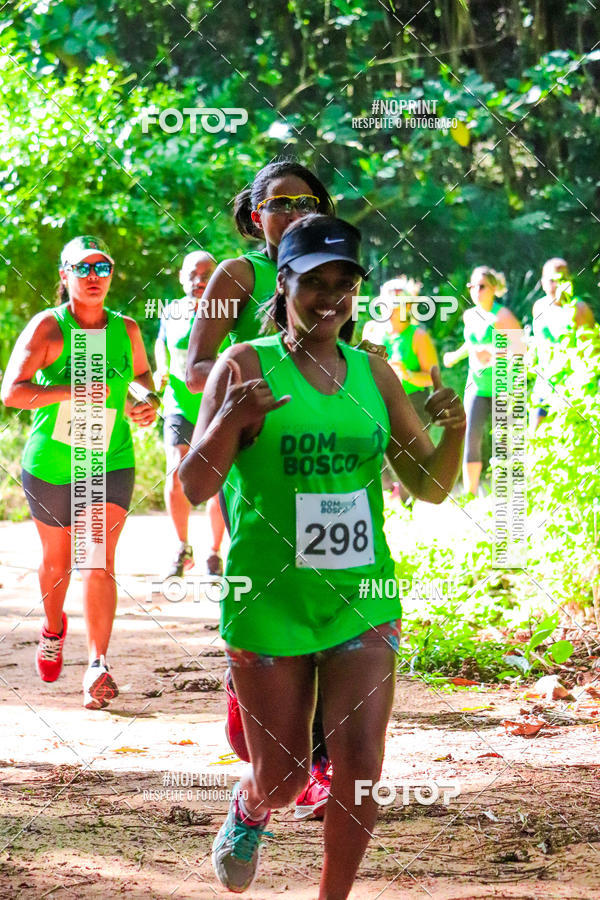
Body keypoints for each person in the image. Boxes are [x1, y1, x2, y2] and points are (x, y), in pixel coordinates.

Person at [179, 214, 466, 898]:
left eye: (344, 283)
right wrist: (228, 421)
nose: (330, 297)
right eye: (314, 283)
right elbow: (194, 487)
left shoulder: (374, 372)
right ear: (284, 284)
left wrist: (452, 431)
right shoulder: (244, 363)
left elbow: (428, 487)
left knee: (360, 763)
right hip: (269, 599)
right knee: (281, 778)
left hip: (360, 598)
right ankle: (251, 808)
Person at [185, 158, 336, 820]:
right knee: (270, 583)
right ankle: (249, 678)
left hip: (325, 458)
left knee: (337, 591)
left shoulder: (333, 271)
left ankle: (324, 760)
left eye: (308, 201)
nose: (296, 212)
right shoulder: (236, 278)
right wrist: (243, 377)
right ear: (255, 216)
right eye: (280, 203)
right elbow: (193, 368)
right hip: (249, 454)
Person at [1, 235, 157, 709]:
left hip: (110, 458)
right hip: (52, 463)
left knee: (99, 558)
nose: (93, 277)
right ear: (64, 275)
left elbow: (143, 379)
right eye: (82, 268)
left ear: (112, 275)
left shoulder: (126, 328)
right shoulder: (48, 328)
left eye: (102, 268)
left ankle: (98, 665)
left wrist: (143, 403)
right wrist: (71, 391)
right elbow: (12, 392)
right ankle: (53, 628)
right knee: (58, 561)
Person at [153, 250, 226, 576]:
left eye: (207, 273)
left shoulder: (227, 312)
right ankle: (182, 548)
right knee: (175, 471)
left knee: (220, 481)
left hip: (217, 407)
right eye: (193, 274)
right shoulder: (172, 311)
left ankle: (213, 552)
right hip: (179, 404)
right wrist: (161, 369)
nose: (200, 280)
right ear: (182, 278)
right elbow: (161, 342)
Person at [443, 266, 522, 497]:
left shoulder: (503, 316)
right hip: (476, 386)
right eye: (471, 286)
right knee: (470, 438)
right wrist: (455, 356)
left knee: (503, 441)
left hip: (502, 387)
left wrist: (491, 351)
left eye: (481, 286)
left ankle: (506, 493)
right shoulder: (470, 316)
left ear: (494, 289)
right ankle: (470, 495)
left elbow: (521, 347)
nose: (475, 291)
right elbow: (471, 344)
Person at [530, 257, 595, 429]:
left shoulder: (579, 309)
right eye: (551, 280)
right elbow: (538, 342)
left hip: (572, 385)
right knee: (534, 433)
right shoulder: (539, 307)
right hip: (544, 383)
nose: (556, 285)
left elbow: (591, 350)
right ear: (543, 282)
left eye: (562, 279)